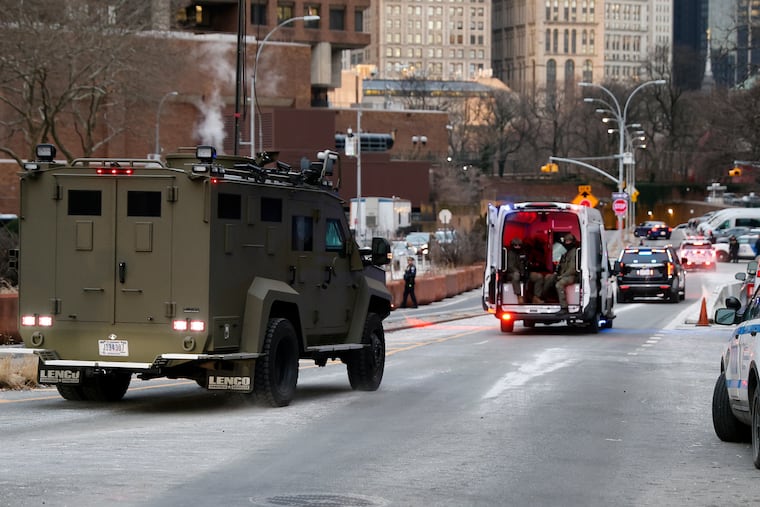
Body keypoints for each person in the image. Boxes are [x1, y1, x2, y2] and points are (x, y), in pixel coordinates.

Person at [544, 233, 580, 316]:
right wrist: (556, 274)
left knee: (559, 284)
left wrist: (561, 276)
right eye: (566, 241)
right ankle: (542, 298)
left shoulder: (574, 252)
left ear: (573, 242)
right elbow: (560, 266)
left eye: (569, 241)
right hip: (563, 274)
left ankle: (564, 307)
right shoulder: (566, 253)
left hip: (572, 276)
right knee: (549, 277)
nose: (567, 243)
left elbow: (572, 269)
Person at [505, 238, 527, 304]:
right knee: (516, 275)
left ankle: (534, 298)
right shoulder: (510, 254)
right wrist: (520, 272)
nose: (517, 247)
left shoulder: (523, 253)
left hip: (522, 272)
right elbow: (510, 266)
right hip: (510, 273)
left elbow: (525, 264)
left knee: (536, 277)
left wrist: (524, 272)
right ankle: (519, 295)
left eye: (519, 245)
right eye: (515, 245)